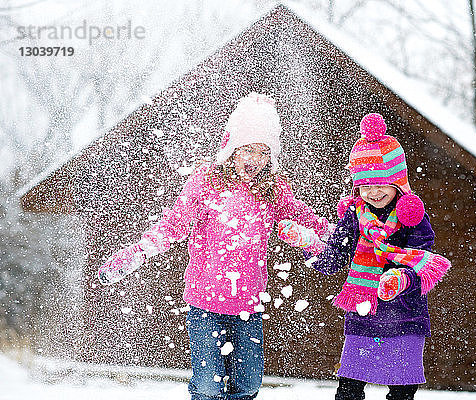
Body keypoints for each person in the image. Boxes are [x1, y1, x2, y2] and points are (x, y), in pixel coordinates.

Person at [98, 92, 330, 400]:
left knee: (247, 385)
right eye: (248, 149)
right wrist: (139, 251)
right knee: (209, 387)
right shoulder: (206, 181)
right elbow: (174, 224)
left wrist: (337, 235)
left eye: (263, 152)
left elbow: (304, 218)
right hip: (205, 303)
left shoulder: (274, 190)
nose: (254, 159)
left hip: (248, 304)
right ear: (232, 147)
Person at [278, 113, 450, 400]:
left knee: (402, 389)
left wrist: (399, 280)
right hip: (364, 310)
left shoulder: (413, 217)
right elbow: (334, 256)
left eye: (382, 183)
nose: (374, 192)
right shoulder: (354, 216)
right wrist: (307, 241)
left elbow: (422, 261)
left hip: (405, 315)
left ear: (398, 182)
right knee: (349, 388)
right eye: (366, 185)